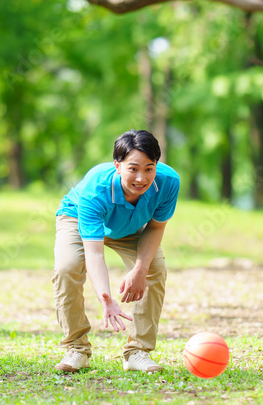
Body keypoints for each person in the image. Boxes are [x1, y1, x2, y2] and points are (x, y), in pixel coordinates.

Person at [53, 130, 180, 373]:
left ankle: (137, 352)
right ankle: (76, 349)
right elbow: (95, 253)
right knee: (67, 267)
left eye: (149, 168)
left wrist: (140, 270)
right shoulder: (95, 189)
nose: (141, 178)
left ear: (157, 165)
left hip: (131, 226)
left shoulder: (169, 182)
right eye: (133, 168)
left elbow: (155, 227)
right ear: (117, 165)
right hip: (78, 218)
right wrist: (105, 297)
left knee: (155, 269)